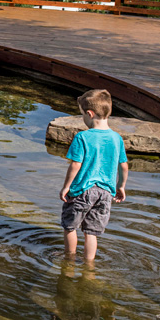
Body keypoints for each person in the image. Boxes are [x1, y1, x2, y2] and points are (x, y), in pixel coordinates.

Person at [60, 89, 128, 263]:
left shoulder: (83, 137)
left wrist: (66, 186)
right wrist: (121, 186)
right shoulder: (116, 138)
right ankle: (89, 265)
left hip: (82, 190)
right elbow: (123, 165)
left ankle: (69, 259)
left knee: (70, 226)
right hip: (106, 193)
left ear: (90, 114)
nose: (83, 118)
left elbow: (76, 164)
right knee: (91, 232)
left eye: (82, 114)